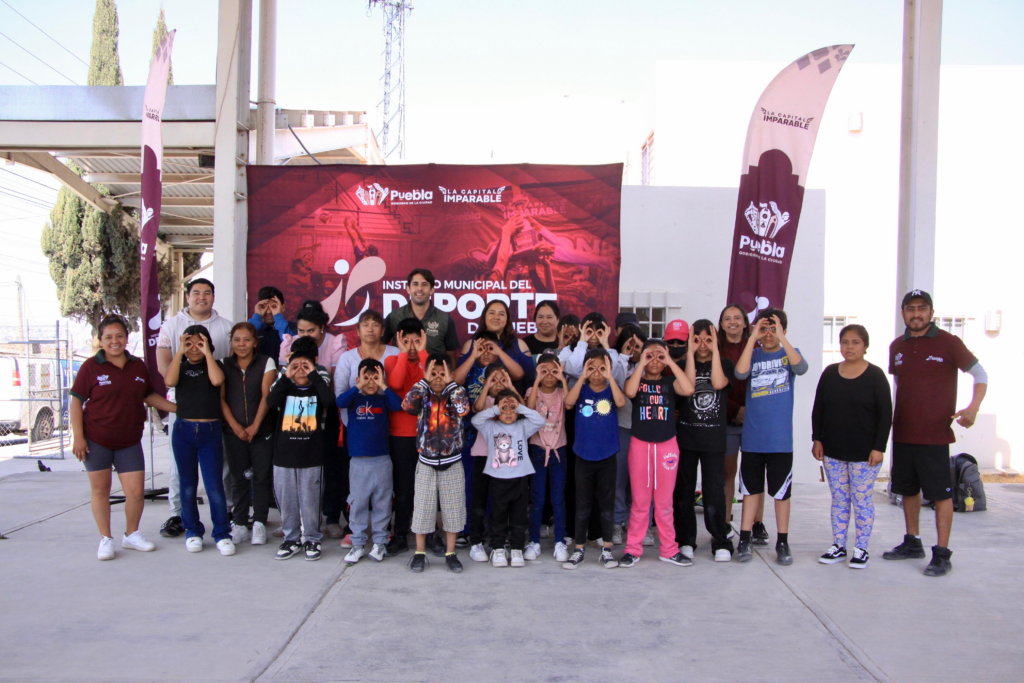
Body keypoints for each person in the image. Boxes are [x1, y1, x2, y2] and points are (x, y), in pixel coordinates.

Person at [882, 290, 987, 577]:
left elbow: (981, 374)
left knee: (941, 495)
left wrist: (973, 408)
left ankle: (942, 554)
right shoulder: (897, 346)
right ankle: (912, 542)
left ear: (931, 312)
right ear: (903, 313)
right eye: (910, 308)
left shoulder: (949, 343)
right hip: (903, 432)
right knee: (907, 490)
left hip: (935, 436)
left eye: (922, 308)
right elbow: (903, 384)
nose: (916, 313)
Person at [70, 315, 178, 560]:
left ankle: (131, 534)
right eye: (108, 337)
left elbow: (148, 395)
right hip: (96, 440)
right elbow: (76, 401)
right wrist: (79, 437)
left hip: (129, 441)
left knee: (136, 492)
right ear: (100, 341)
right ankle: (106, 539)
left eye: (119, 336)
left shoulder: (137, 366)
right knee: (101, 491)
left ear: (127, 338)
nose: (114, 341)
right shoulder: (90, 367)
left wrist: (178, 409)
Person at [156, 278, 234, 539]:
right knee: (180, 470)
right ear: (187, 296)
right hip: (183, 408)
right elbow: (164, 368)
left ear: (213, 296)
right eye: (196, 292)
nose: (202, 297)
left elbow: (226, 371)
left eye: (207, 292)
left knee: (220, 468)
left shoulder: (226, 327)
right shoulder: (171, 325)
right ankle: (178, 514)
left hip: (215, 407)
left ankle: (226, 513)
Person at [811, 324, 892, 568]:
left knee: (861, 500)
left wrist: (879, 447)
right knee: (839, 499)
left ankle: (861, 548)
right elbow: (819, 408)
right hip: (833, 450)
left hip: (865, 454)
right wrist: (817, 439)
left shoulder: (875, 375)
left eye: (855, 342)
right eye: (845, 342)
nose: (849, 347)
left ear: (865, 346)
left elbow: (885, 415)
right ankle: (838, 545)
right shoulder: (829, 373)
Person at [733, 308, 808, 566]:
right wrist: (753, 337)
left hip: (780, 441)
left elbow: (802, 368)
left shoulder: (789, 354)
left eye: (773, 329)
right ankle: (745, 538)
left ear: (783, 331)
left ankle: (783, 542)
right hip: (753, 439)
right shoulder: (753, 355)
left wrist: (781, 337)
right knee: (751, 491)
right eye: (764, 328)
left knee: (781, 493)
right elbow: (740, 373)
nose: (768, 334)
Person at [619, 340, 694, 568]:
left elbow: (688, 389)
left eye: (659, 356)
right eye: (649, 355)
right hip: (640, 445)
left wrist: (668, 360)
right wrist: (642, 362)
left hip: (667, 446)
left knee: (664, 503)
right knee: (640, 502)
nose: (654, 360)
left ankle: (669, 549)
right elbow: (629, 392)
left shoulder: (670, 382)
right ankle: (633, 549)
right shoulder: (637, 381)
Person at [279, 300, 347, 539]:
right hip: (296, 416)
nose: (305, 335)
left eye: (311, 330)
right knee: (298, 469)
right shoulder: (289, 343)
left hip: (327, 414)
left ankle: (331, 517)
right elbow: (283, 383)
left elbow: (335, 382)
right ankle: (297, 520)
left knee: (330, 467)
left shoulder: (335, 343)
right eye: (301, 330)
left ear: (322, 328)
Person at [164, 326, 234, 556]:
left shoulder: (215, 365)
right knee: (187, 484)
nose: (194, 348)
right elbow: (169, 381)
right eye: (189, 344)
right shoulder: (180, 366)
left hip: (210, 432)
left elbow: (217, 380)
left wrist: (207, 354)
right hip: (183, 431)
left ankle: (222, 533)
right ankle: (192, 531)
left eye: (199, 343)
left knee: (214, 485)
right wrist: (179, 352)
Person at [266, 336, 335, 561]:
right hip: (284, 456)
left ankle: (313, 538)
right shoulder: (284, 386)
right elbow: (270, 402)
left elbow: (329, 400)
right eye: (296, 366)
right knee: (288, 501)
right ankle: (291, 539)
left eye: (306, 366)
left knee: (310, 501)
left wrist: (312, 373)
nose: (301, 370)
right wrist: (287, 375)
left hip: (311, 456)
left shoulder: (317, 387)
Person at [402, 354, 471, 573]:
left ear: (451, 375)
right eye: (434, 374)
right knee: (423, 509)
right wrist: (424, 381)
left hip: (452, 462)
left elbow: (463, 410)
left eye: (443, 374)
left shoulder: (457, 392)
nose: (438, 378)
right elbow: (406, 405)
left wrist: (452, 384)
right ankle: (419, 553)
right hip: (426, 462)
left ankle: (450, 553)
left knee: (453, 509)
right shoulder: (423, 394)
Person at [675, 320, 735, 562]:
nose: (702, 344)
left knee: (714, 493)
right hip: (686, 438)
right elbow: (688, 387)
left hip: (713, 440)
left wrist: (715, 352)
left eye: (708, 339)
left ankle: (720, 540)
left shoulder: (725, 364)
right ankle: (685, 540)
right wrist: (689, 353)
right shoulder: (682, 364)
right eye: (696, 339)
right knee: (684, 493)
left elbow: (718, 384)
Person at [563, 348, 626, 570]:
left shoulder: (611, 390)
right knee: (582, 505)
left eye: (602, 368)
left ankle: (607, 549)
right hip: (583, 455)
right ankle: (578, 549)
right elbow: (568, 402)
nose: (597, 373)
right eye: (592, 368)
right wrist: (582, 377)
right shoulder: (581, 389)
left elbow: (621, 402)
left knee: (606, 505)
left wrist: (611, 377)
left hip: (607, 455)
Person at [336, 359, 402, 564]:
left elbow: (399, 405)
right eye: (366, 377)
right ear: (358, 379)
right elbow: (340, 402)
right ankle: (357, 544)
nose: (371, 382)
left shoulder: (383, 399)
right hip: (358, 463)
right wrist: (358, 386)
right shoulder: (353, 398)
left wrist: (384, 385)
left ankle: (380, 542)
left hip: (382, 461)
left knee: (383, 502)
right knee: (358, 503)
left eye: (375, 377)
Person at [472, 388, 546, 567]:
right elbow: (476, 419)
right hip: (498, 480)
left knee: (519, 516)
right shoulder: (490, 427)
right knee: (498, 515)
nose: (508, 412)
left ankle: (517, 549)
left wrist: (519, 407)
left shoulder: (523, 426)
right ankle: (498, 548)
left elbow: (540, 420)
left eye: (512, 409)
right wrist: (496, 409)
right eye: (504, 409)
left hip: (520, 479)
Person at [220, 322, 277, 546]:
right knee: (238, 478)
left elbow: (266, 396)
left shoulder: (266, 362)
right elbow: (221, 399)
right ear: (231, 343)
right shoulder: (223, 364)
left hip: (262, 431)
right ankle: (240, 523)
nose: (241, 344)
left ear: (254, 342)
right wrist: (235, 426)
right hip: (233, 432)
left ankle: (260, 522)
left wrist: (255, 426)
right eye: (236, 340)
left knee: (261, 477)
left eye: (246, 339)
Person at [383, 317, 428, 556]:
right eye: (406, 341)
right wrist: (402, 354)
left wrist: (423, 353)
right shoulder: (392, 360)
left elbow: (432, 384)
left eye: (416, 341)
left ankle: (429, 535)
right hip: (400, 436)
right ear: (398, 341)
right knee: (403, 489)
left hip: (428, 436)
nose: (411, 346)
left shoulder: (428, 361)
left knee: (427, 489)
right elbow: (396, 382)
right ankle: (400, 534)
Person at [467, 362, 518, 562]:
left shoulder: (512, 402)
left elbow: (525, 410)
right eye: (493, 380)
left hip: (503, 458)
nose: (498, 384)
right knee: (479, 500)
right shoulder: (486, 400)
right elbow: (478, 408)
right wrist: (486, 387)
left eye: (502, 380)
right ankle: (476, 541)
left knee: (501, 501)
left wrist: (510, 388)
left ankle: (499, 541)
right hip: (482, 455)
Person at [718, 304, 759, 541]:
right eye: (727, 318)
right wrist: (734, 410)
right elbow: (714, 385)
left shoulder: (757, 347)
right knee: (727, 472)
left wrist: (750, 410)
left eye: (737, 318)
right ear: (722, 324)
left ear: (745, 322)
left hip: (755, 421)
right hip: (728, 420)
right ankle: (725, 522)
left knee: (754, 474)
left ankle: (756, 523)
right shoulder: (716, 349)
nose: (732, 322)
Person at [525, 353, 570, 562]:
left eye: (554, 371)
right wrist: (536, 380)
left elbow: (569, 404)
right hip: (538, 450)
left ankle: (560, 540)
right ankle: (534, 541)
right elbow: (529, 408)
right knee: (536, 500)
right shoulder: (531, 391)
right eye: (544, 371)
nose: (549, 376)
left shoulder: (561, 393)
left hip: (559, 452)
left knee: (558, 500)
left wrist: (563, 379)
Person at [611, 324, 646, 546]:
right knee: (618, 479)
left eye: (637, 344)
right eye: (629, 344)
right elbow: (614, 383)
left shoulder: (649, 363)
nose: (633, 348)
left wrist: (643, 355)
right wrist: (624, 356)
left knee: (642, 482)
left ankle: (641, 523)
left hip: (645, 431)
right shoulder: (617, 362)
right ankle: (617, 521)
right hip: (621, 428)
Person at [382, 268, 460, 366]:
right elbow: (380, 347)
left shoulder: (445, 319)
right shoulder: (394, 316)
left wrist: (450, 376)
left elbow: (451, 356)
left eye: (424, 284)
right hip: (401, 374)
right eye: (415, 284)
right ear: (408, 289)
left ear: (432, 290)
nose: (419, 288)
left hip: (433, 374)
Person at [454, 299, 532, 389]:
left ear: (507, 319)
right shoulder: (471, 345)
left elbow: (528, 380)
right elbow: (457, 381)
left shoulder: (520, 344)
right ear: (484, 317)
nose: (496, 317)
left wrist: (500, 353)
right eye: (492, 313)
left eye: (501, 314)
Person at [333, 310, 399, 406]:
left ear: (382, 331)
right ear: (358, 331)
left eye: (375, 325)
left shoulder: (395, 353)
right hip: (354, 414)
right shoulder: (346, 358)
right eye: (365, 325)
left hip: (387, 414)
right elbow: (340, 394)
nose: (370, 329)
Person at [248, 285, 296, 362]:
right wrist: (256, 317)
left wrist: (278, 317)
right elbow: (245, 343)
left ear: (283, 307)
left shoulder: (295, 328)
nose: (268, 311)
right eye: (263, 307)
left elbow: (291, 345)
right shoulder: (256, 329)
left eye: (273, 306)